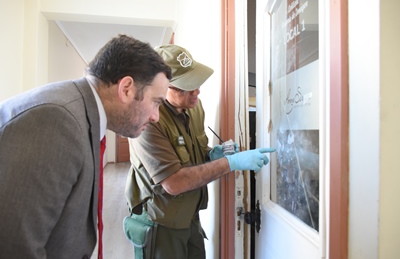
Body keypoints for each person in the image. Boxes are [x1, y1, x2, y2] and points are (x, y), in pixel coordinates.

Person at [0, 34, 172, 259]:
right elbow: (14, 247)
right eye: (156, 102)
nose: (156, 117)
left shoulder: (81, 115)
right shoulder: (55, 121)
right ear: (127, 88)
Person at [125, 44, 275, 259]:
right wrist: (231, 164)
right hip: (160, 223)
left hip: (190, 216)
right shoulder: (147, 120)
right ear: (161, 87)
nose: (196, 91)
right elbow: (173, 183)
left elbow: (193, 151)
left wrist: (211, 154)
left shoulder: (195, 108)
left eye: (196, 83)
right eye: (187, 86)